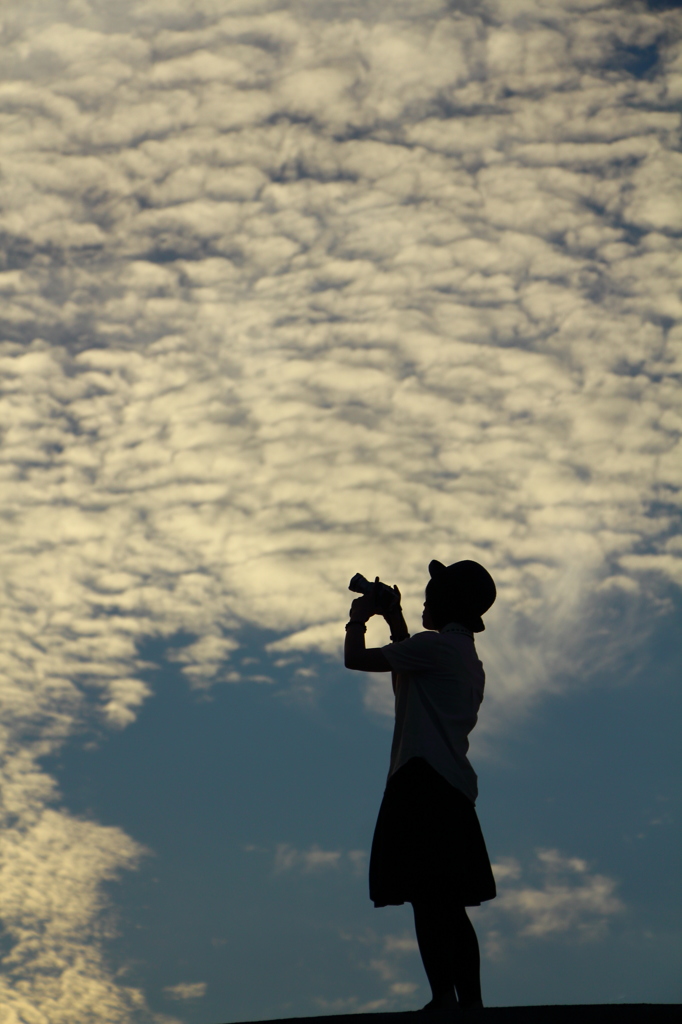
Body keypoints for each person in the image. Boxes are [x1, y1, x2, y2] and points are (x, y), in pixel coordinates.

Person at [344, 559, 497, 1018]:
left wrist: (357, 620)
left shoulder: (435, 649)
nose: (425, 600)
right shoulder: (464, 658)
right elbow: (407, 669)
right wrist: (394, 620)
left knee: (427, 901)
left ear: (448, 603)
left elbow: (357, 659)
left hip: (420, 782)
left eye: (433, 594)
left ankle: (445, 999)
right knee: (448, 902)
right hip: (450, 788)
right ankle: (468, 1001)